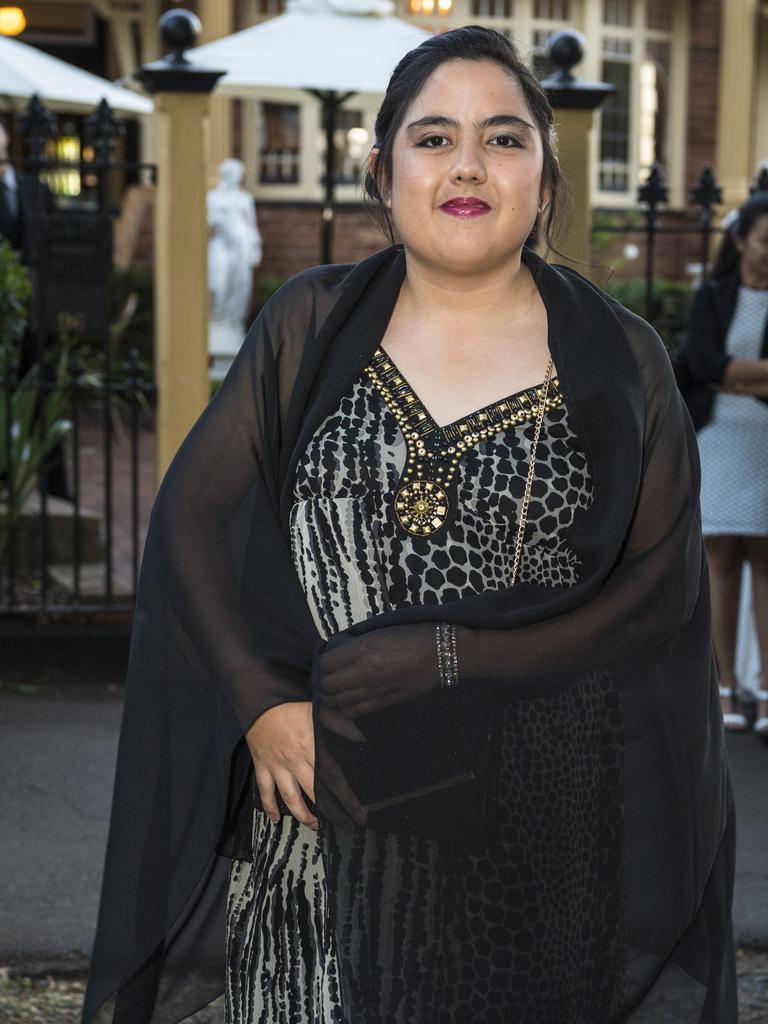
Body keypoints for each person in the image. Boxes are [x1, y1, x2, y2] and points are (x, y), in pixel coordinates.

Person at [82, 27, 735, 1024]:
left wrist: (449, 657)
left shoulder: (621, 358)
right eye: (434, 138)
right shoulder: (308, 325)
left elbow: (657, 596)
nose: (469, 163)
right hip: (319, 819)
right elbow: (189, 524)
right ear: (385, 174)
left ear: (546, 180)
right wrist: (260, 704)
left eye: (505, 139)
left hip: (533, 832)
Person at [683, 193, 768, 740]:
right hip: (718, 437)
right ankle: (724, 683)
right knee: (719, 558)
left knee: (766, 561)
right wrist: (745, 374)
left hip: (764, 442)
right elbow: (701, 363)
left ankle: (763, 690)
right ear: (740, 241)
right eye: (765, 239)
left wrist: (734, 375)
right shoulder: (713, 295)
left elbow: (719, 368)